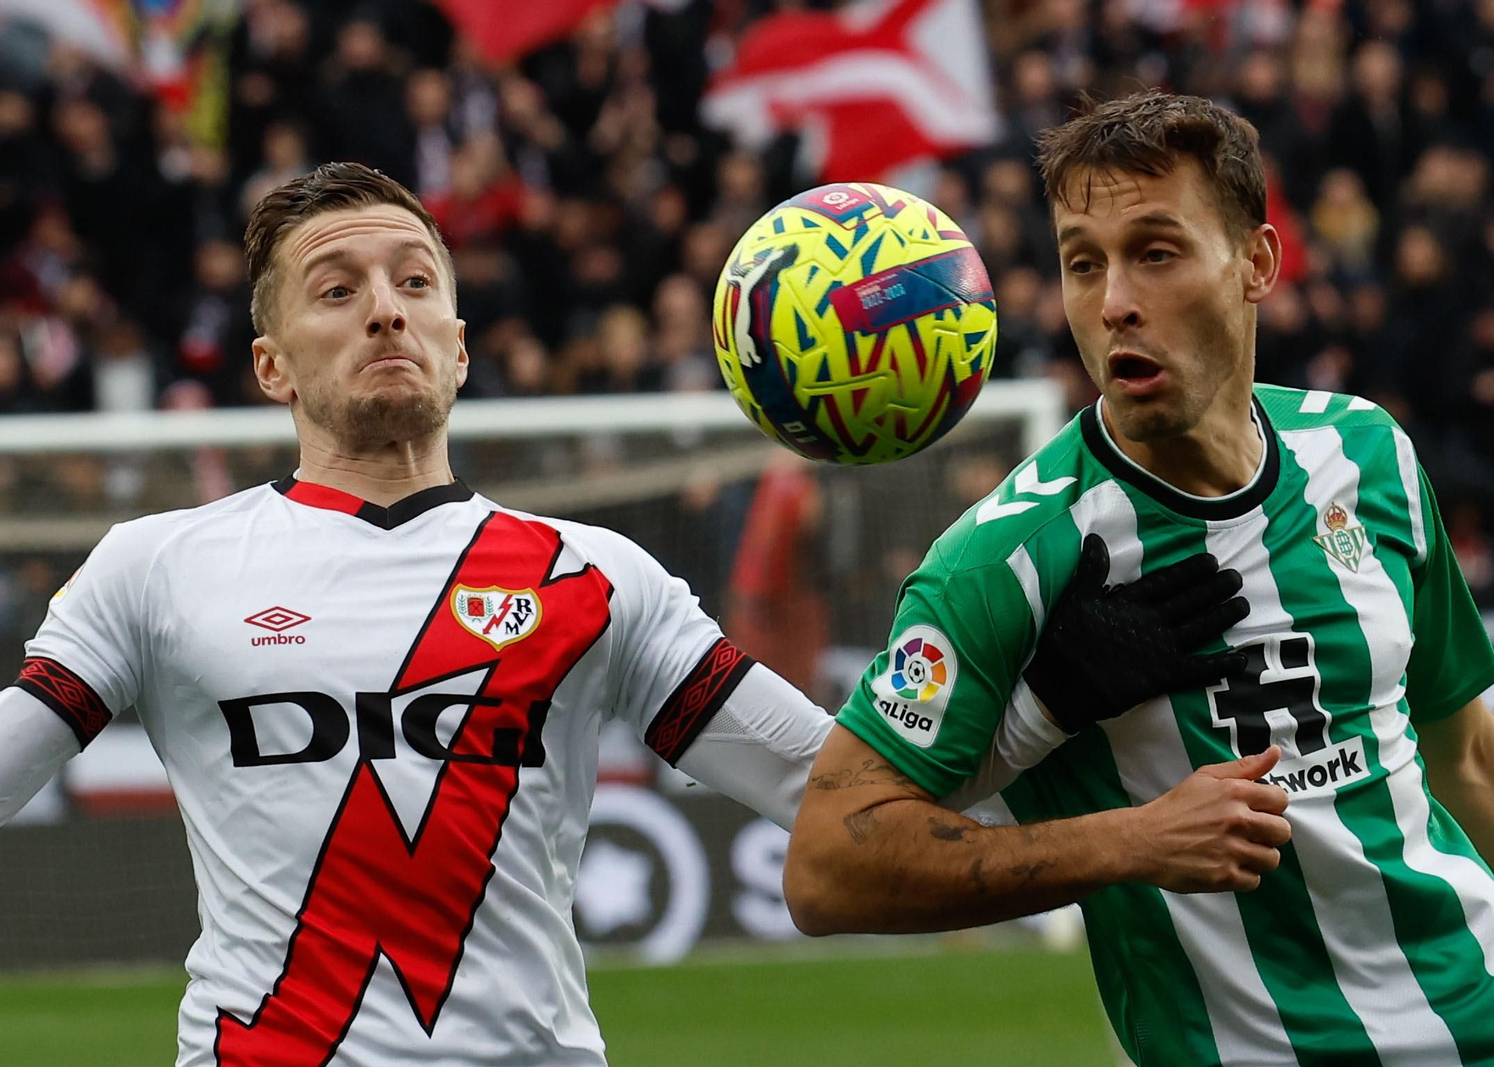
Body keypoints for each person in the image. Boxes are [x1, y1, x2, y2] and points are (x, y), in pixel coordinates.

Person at [0, 161, 1254, 1066]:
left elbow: (843, 804)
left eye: (413, 279)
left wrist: (1046, 698)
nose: (383, 305)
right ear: (269, 363)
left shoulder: (598, 578)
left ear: (459, 338)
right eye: (335, 289)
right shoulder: (155, 565)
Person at [785, 91, 1494, 1067]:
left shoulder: (1364, 451)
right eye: (1083, 262)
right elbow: (828, 864)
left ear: (1256, 262)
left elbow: (1463, 754)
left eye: (1155, 251)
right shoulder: (1004, 562)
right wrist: (1129, 841)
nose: (1113, 299)